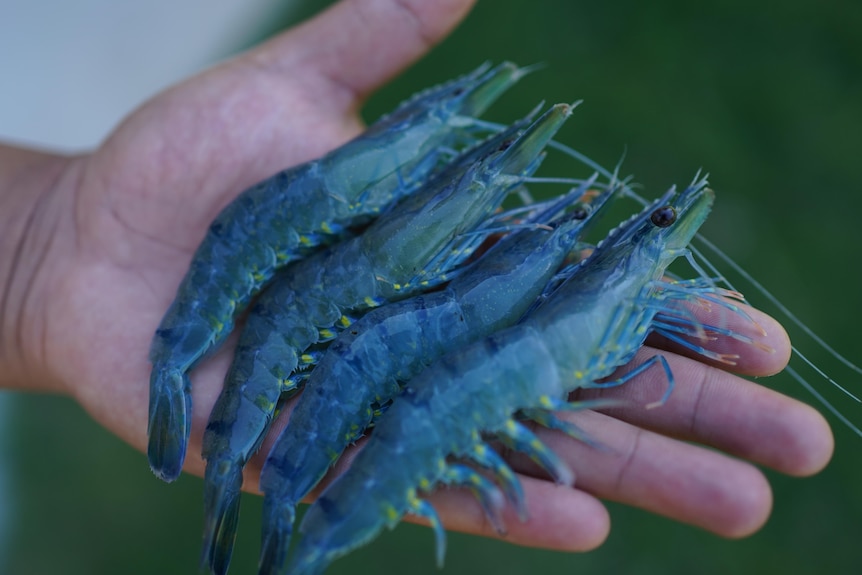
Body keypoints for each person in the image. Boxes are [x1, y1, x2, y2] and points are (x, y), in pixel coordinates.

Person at [0, 0, 833, 552]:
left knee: (449, 245)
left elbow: (439, 262)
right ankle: (237, 449)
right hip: (326, 313)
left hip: (384, 325)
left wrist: (36, 248)